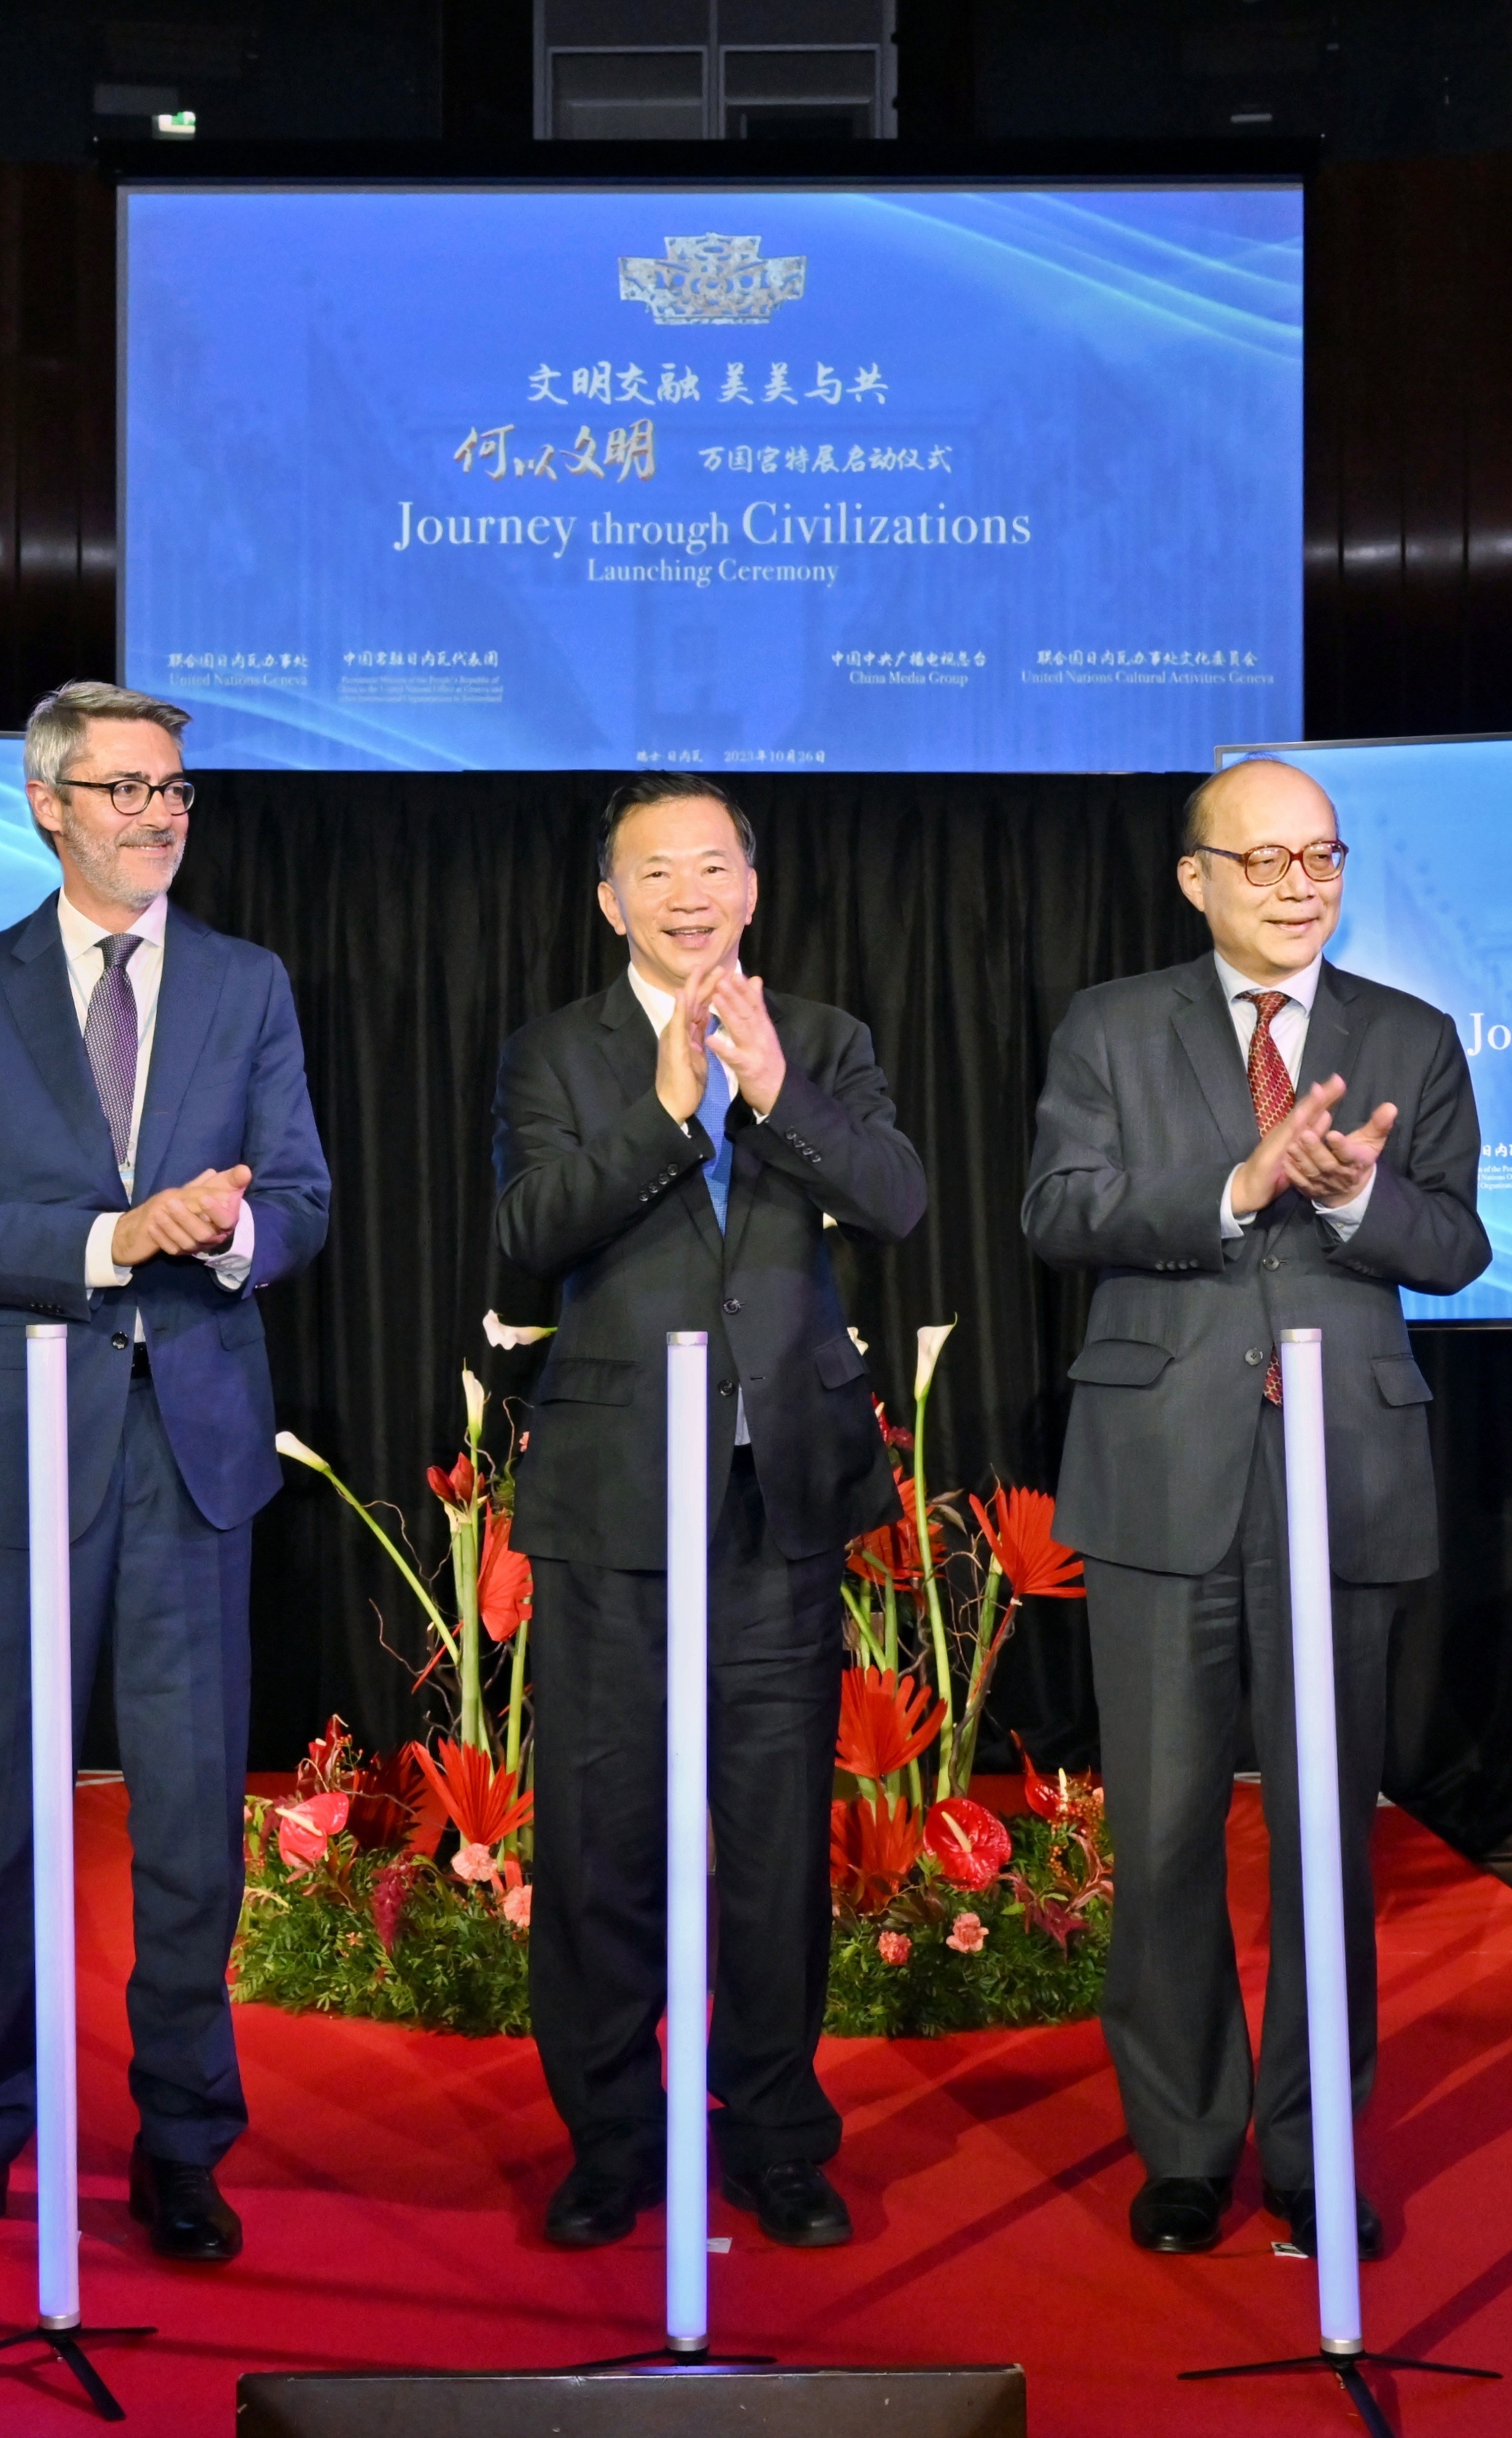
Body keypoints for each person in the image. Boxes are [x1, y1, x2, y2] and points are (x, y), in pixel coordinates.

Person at [0, 679, 332, 2274]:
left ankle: (184, 2146)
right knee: (3, 1814)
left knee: (193, 1817)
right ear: (48, 803)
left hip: (193, 1450)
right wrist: (109, 1238)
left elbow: (304, 1197)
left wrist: (236, 1228)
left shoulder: (247, 984)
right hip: (15, 1450)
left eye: (175, 791)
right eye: (126, 788)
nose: (158, 815)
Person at [1018, 756, 1487, 2260]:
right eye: (1266, 859)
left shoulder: (1409, 1035)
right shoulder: (1112, 1025)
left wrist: (1348, 1196)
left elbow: (1458, 1244)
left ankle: (1312, 2145)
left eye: (1321, 858)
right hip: (1163, 1467)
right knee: (1162, 1834)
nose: (1299, 885)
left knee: (1324, 1840)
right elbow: (1059, 1210)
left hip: (1342, 1468)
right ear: (1196, 879)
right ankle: (1183, 2146)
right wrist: (1238, 1182)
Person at [493, 775, 927, 2253]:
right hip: (614, 1503)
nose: (689, 894)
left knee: (778, 1841)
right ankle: (613, 2138)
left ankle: (779, 2136)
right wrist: (671, 1110)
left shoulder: (826, 1037)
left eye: (714, 867)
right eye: (656, 872)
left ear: (753, 886)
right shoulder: (559, 1051)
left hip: (774, 1498)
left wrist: (776, 1092)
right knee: (602, 1839)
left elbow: (896, 1200)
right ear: (610, 900)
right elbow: (530, 1230)